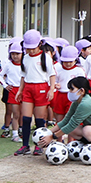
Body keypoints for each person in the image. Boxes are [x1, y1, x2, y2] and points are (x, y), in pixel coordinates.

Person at [14, 28, 54, 156]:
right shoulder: (25, 58)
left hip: (41, 88)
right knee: (25, 118)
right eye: (28, 48)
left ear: (40, 44)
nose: (31, 50)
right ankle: (25, 145)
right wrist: (20, 90)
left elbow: (52, 74)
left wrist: (51, 89)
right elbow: (23, 75)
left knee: (39, 119)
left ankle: (39, 145)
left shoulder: (45, 57)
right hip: (28, 88)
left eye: (33, 47)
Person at [51, 45, 85, 121]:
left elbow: (82, 83)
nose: (68, 64)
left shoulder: (79, 70)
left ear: (76, 60)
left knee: (70, 116)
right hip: (61, 95)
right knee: (59, 115)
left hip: (73, 96)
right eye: (66, 62)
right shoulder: (58, 69)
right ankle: (59, 131)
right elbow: (54, 79)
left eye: (70, 61)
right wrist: (56, 84)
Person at [0, 41, 24, 140]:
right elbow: (0, 75)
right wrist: (5, 85)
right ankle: (14, 134)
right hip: (13, 90)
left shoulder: (25, 64)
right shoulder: (8, 65)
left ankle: (21, 129)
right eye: (13, 54)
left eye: (17, 54)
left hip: (23, 90)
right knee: (15, 113)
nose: (15, 56)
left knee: (23, 112)